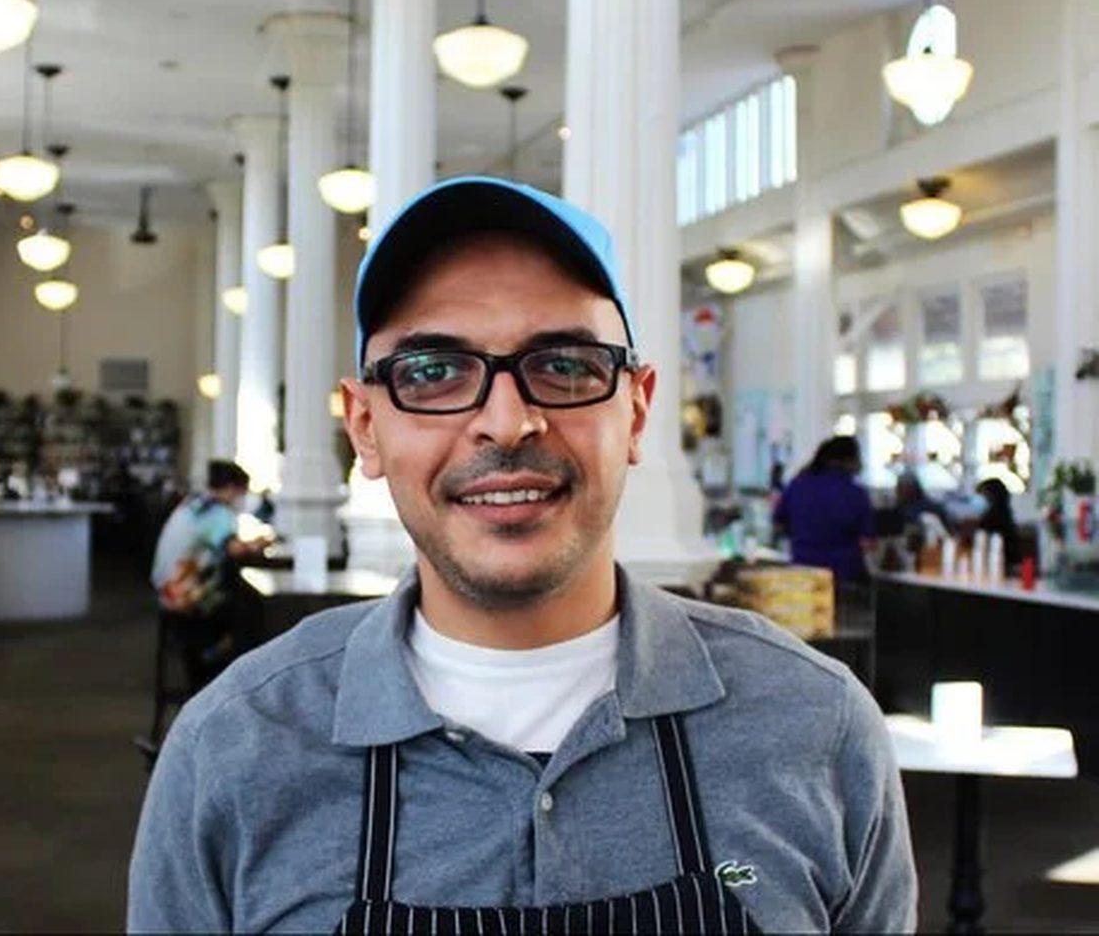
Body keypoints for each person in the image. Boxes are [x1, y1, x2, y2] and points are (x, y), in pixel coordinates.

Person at [129, 177, 916, 933]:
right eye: (433, 372)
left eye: (565, 366)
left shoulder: (815, 726)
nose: (507, 423)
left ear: (638, 412)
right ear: (365, 427)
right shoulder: (236, 749)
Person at [149, 459, 265, 687]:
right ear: (231, 488)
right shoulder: (216, 511)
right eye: (242, 492)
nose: (242, 499)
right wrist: (260, 543)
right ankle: (225, 670)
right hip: (184, 597)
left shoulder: (193, 503)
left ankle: (214, 659)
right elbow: (234, 548)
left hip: (166, 589)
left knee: (241, 601)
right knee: (252, 611)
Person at [773, 436, 876, 583]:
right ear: (848, 460)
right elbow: (868, 541)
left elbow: (779, 524)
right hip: (842, 574)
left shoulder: (797, 485)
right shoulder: (855, 492)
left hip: (802, 571)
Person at [976, 476, 1021, 574]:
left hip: (999, 568)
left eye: (984, 495)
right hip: (1003, 566)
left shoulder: (992, 518)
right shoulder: (1006, 515)